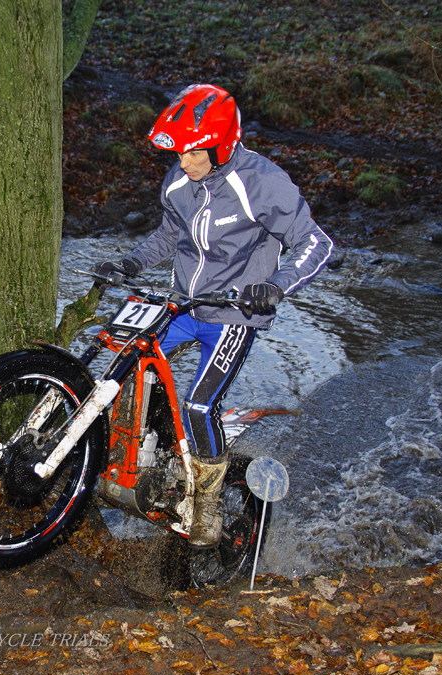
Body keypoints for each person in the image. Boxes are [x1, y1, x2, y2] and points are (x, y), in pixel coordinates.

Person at [92, 84, 333, 548]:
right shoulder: (180, 181)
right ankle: (139, 462)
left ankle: (208, 505)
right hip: (182, 305)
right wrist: (131, 263)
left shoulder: (261, 182)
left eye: (194, 153)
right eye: (179, 153)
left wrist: (275, 286)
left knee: (200, 405)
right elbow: (169, 235)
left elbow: (315, 242)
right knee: (124, 368)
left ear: (222, 146)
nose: (184, 163)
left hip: (233, 315)